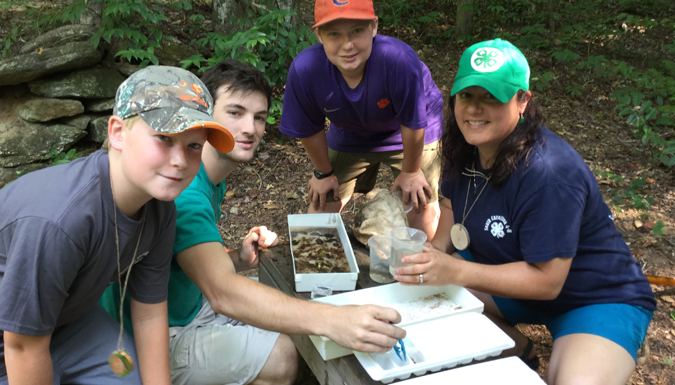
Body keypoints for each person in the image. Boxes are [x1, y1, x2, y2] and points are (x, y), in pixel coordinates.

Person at [101, 60, 406, 385]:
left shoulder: (207, 176)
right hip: (155, 336)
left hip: (190, 307)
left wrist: (234, 257)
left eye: (259, 117)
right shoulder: (185, 189)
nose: (250, 128)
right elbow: (223, 292)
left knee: (289, 325)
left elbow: (183, 261)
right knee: (284, 356)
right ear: (204, 120)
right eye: (235, 112)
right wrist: (334, 319)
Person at [394, 39, 656, 385]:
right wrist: (436, 250)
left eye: (492, 96)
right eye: (467, 95)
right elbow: (451, 206)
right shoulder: (463, 147)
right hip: (509, 278)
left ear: (522, 101)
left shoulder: (550, 173)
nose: (475, 108)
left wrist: (454, 269)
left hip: (591, 297)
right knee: (415, 306)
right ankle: (517, 348)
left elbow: (548, 281)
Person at [0, 66, 233, 384]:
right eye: (164, 138)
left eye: (194, 145)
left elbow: (150, 311)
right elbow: (22, 347)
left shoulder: (161, 209)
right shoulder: (61, 220)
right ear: (117, 132)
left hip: (69, 322)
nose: (180, 160)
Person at [279, 0, 444, 238]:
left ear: (374, 27)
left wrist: (411, 172)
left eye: (357, 30)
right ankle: (319, 272)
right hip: (351, 131)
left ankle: (427, 270)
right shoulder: (306, 70)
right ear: (319, 36)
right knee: (320, 209)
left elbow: (413, 122)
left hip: (411, 130)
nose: (348, 45)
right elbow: (308, 129)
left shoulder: (398, 60)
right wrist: (323, 174)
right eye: (334, 34)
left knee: (422, 207)